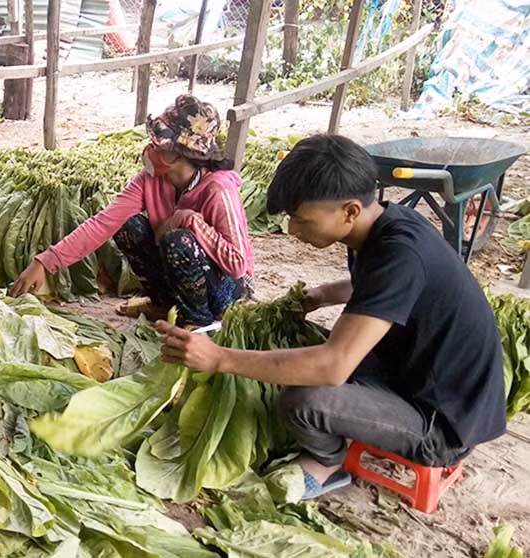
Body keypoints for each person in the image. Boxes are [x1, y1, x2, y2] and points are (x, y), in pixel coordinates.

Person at [157, 134, 505, 499]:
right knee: (300, 347)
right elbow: (381, 288)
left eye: (302, 220)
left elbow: (332, 367)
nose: (293, 230)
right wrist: (323, 295)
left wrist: (220, 359)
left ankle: (329, 462)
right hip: (411, 374)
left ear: (350, 211)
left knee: (303, 400)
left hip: (441, 422)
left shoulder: (400, 254)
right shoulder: (386, 225)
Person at [8, 95, 255, 327]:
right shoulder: (150, 180)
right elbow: (103, 223)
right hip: (185, 273)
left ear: (182, 153)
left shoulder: (218, 189)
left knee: (178, 240)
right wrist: (45, 262)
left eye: (159, 145)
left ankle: (198, 323)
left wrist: (190, 221)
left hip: (228, 289)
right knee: (130, 227)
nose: (151, 148)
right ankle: (164, 304)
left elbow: (237, 265)